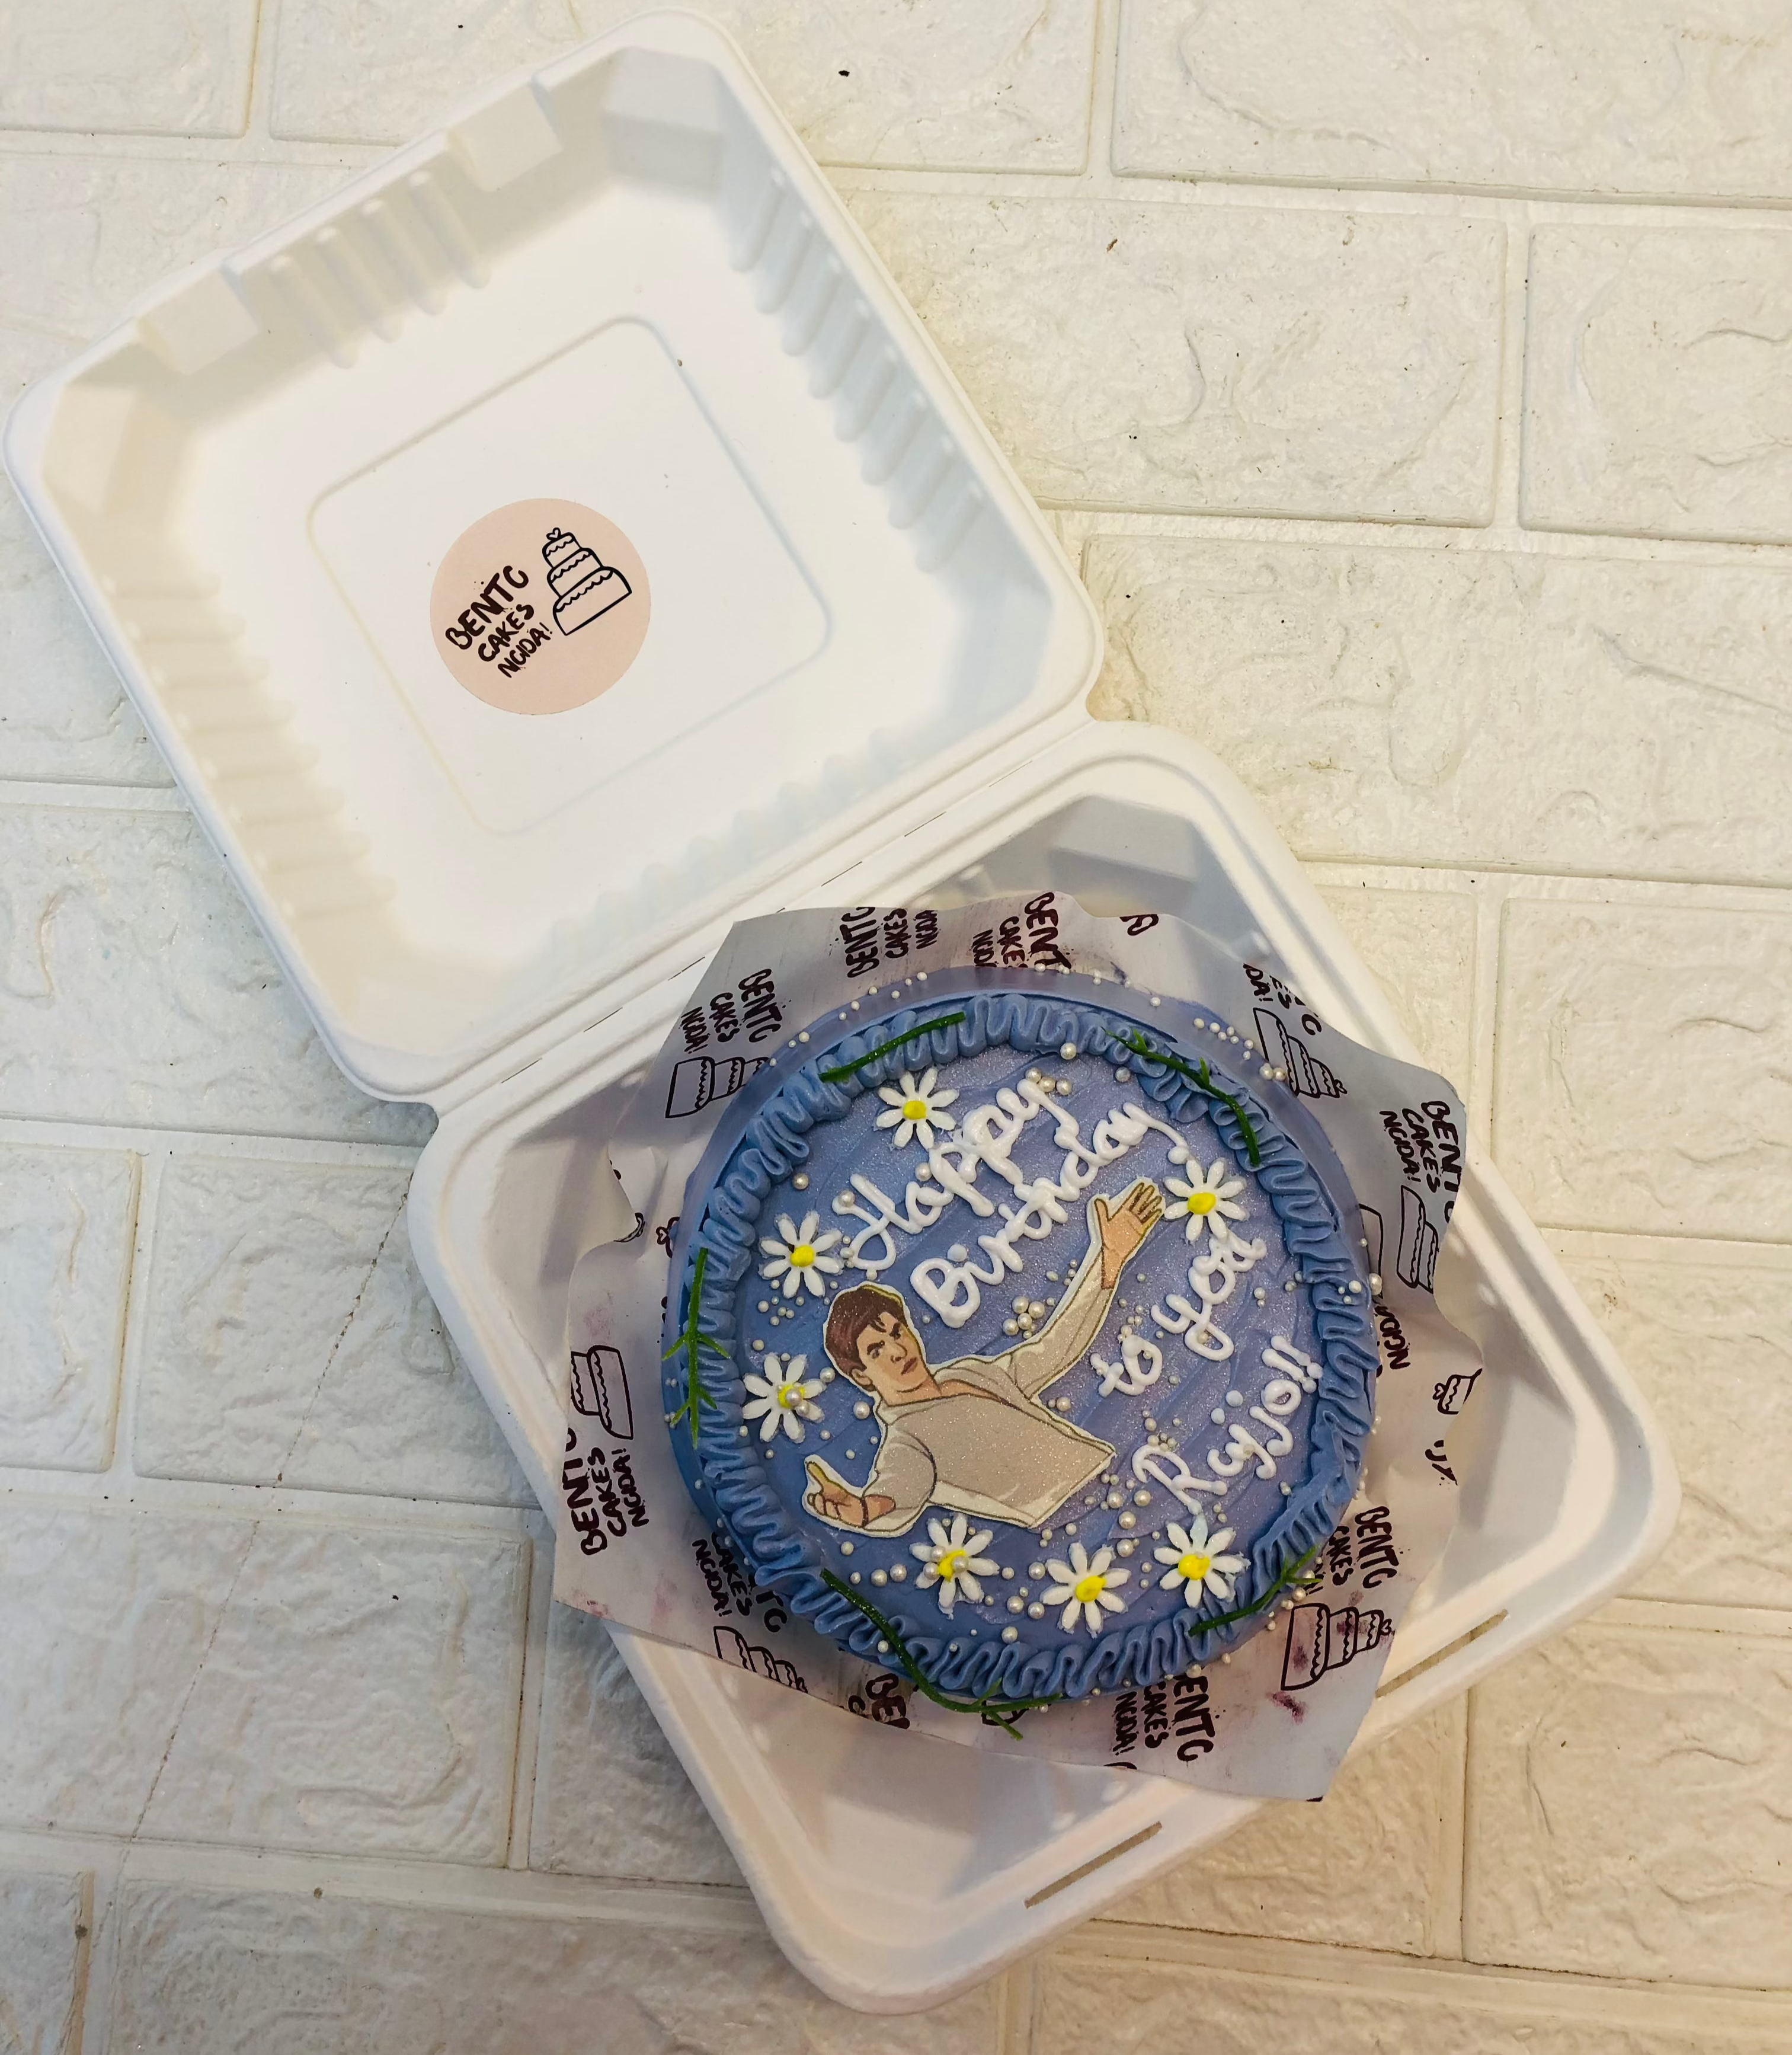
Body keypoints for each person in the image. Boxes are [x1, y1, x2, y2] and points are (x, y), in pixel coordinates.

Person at [802, 1180, 1164, 1536]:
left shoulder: (970, 1372)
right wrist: (864, 1511)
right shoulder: (906, 1438)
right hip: (1073, 1524)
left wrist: (1109, 1262)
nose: (898, 1351)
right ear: (862, 1375)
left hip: (1117, 1473)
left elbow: (1057, 1347)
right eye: (876, 1351)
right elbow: (897, 1491)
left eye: (897, 1332)